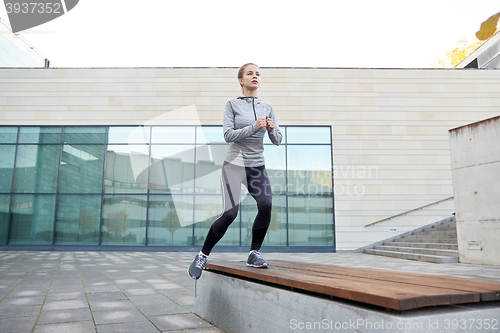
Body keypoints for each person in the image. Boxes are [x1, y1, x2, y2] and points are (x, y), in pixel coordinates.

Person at [188, 63, 282, 280]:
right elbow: (228, 135)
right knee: (230, 214)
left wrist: (270, 129)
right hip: (234, 165)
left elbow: (277, 140)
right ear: (241, 80)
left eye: (258, 74)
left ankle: (253, 253)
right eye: (250, 73)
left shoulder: (267, 107)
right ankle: (202, 255)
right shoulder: (232, 105)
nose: (255, 76)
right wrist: (254, 127)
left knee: (266, 205)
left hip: (256, 166)